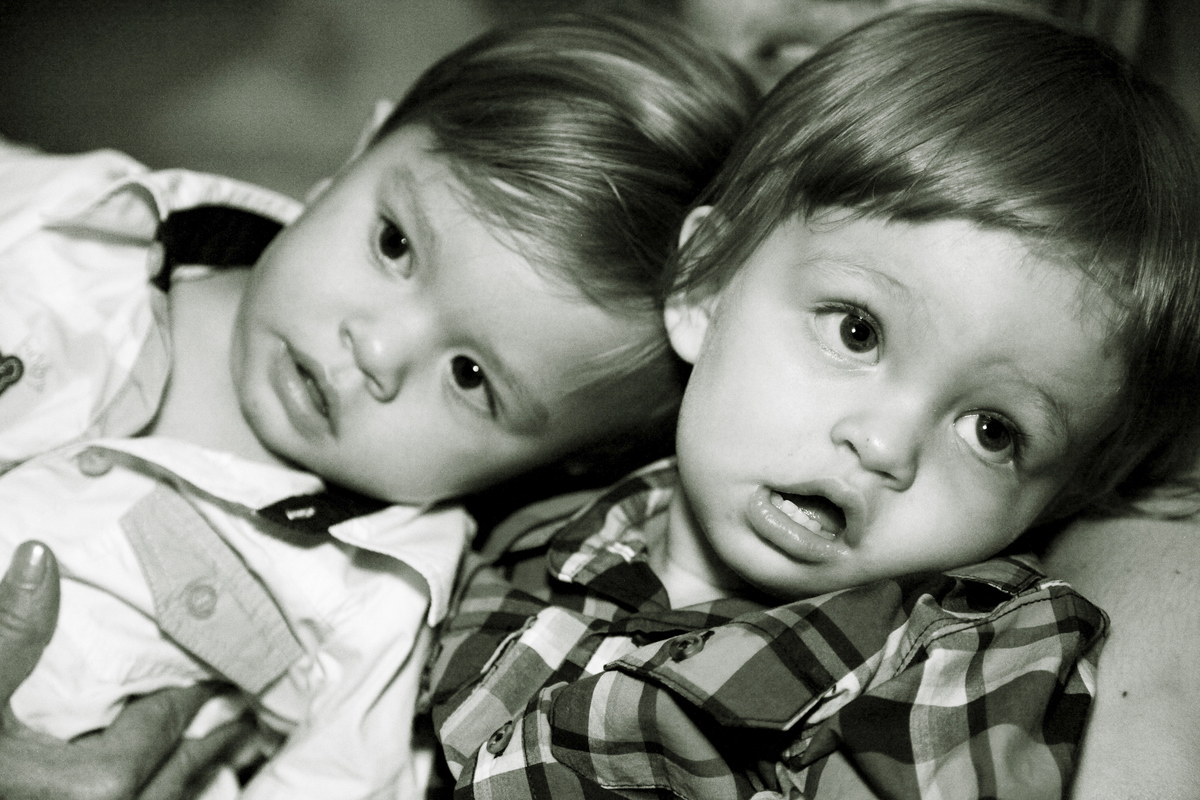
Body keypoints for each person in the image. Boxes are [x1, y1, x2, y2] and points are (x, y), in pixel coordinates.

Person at [425, 7, 1200, 798]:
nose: (884, 444)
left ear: (1058, 496)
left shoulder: (955, 664)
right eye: (858, 332)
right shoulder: (537, 521)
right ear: (705, 282)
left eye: (992, 431)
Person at [0, 13, 755, 799]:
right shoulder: (76, 217)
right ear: (356, 154)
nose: (378, 351)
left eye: (470, 375)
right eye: (395, 245)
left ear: (553, 463)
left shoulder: (376, 605)